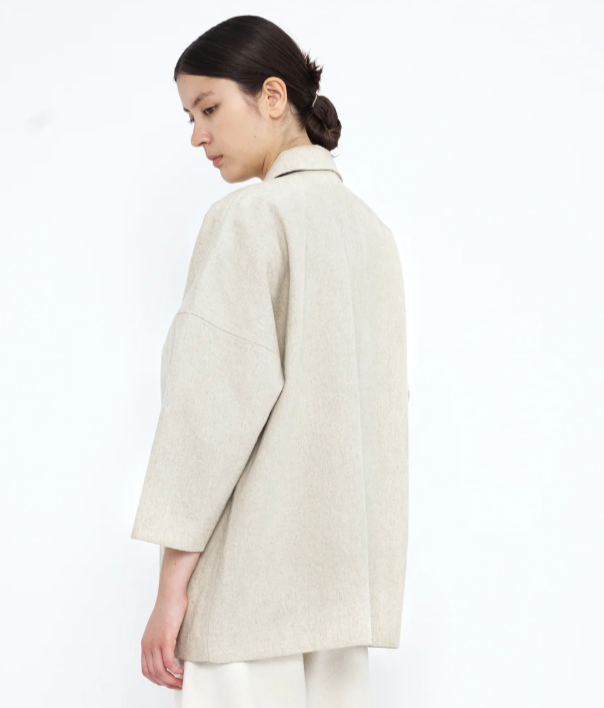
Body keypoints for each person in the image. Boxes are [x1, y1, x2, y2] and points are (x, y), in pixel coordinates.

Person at [130, 14, 409, 708]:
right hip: (342, 606)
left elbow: (208, 416)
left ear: (274, 96)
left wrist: (171, 591)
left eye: (209, 108)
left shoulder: (250, 219)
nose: (197, 134)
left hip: (250, 603)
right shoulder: (372, 235)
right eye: (190, 116)